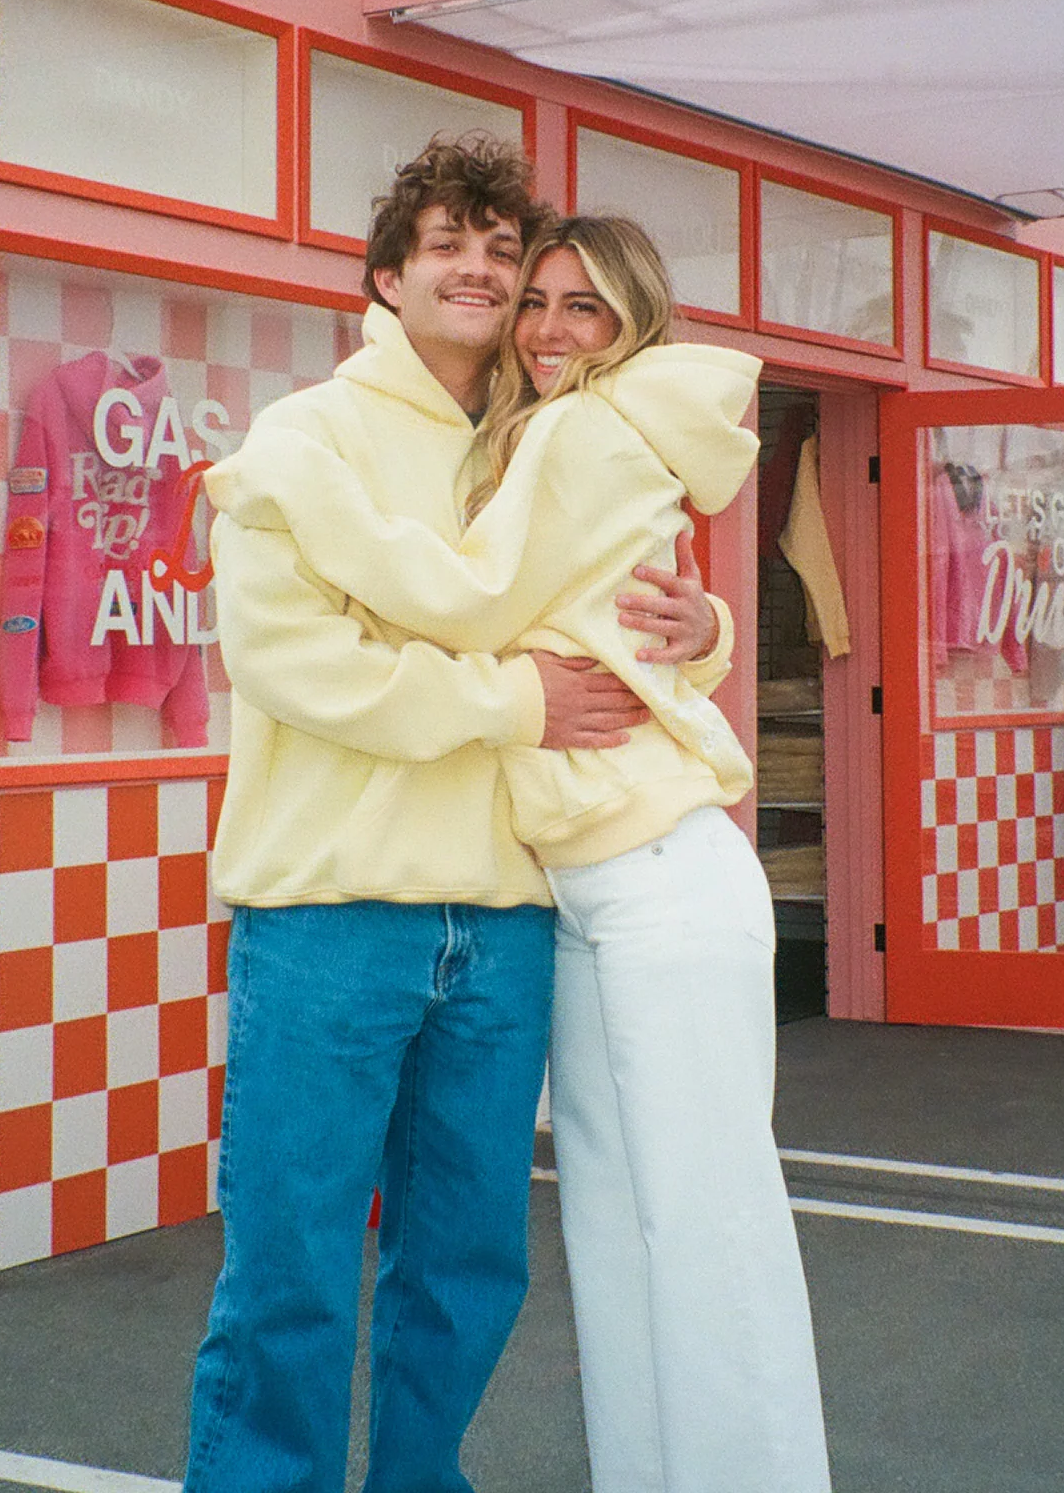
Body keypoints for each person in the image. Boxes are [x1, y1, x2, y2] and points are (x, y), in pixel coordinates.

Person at [216, 214, 833, 1493]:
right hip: (339, 907)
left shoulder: (551, 420)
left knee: (469, 1267)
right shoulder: (307, 438)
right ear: (386, 276)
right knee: (296, 1263)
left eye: (515, 255)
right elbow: (293, 662)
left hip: (513, 907)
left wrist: (704, 625)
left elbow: (574, 612)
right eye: (451, 246)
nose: (500, 285)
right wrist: (520, 701)